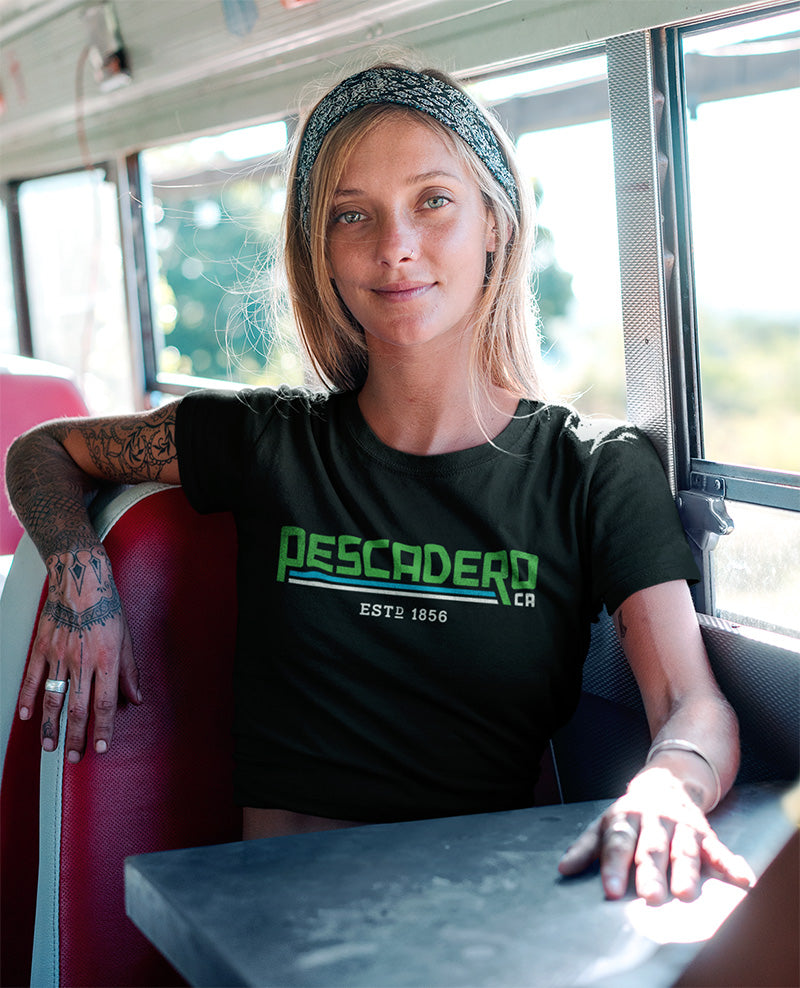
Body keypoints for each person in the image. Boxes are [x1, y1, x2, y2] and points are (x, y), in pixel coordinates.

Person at [6, 61, 754, 906]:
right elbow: (41, 450)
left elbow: (693, 706)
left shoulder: (591, 471)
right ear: (320, 252)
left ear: (496, 225)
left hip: (493, 923)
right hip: (284, 929)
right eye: (351, 215)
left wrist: (667, 787)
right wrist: (80, 575)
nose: (395, 246)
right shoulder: (265, 442)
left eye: (433, 200)